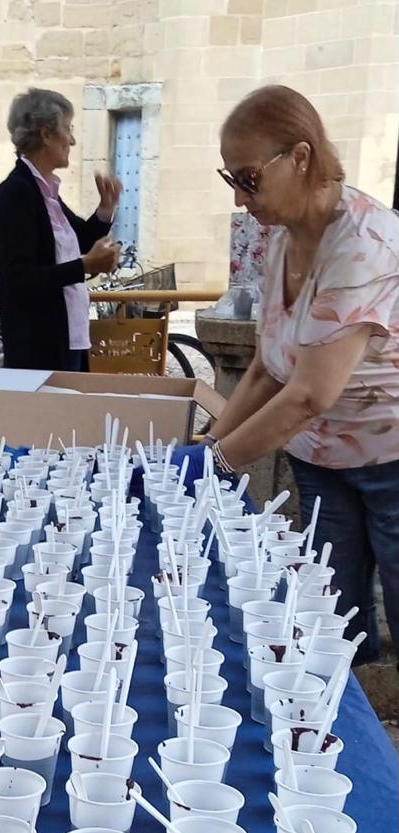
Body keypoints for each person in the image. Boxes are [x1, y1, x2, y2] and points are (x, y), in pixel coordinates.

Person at [202, 84, 399, 666]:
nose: (241, 198)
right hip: (320, 460)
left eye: (249, 178)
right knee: (335, 619)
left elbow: (311, 393)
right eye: (230, 180)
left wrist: (216, 462)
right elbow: (266, 369)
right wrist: (206, 449)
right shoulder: (281, 244)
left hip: (389, 456)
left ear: (302, 157)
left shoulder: (363, 243)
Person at [0, 87, 124, 372]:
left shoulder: (46, 193)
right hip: (40, 349)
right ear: (46, 134)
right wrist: (86, 265)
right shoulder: (16, 195)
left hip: (68, 340)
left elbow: (81, 244)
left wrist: (106, 209)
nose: (72, 140)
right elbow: (19, 280)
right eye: (68, 129)